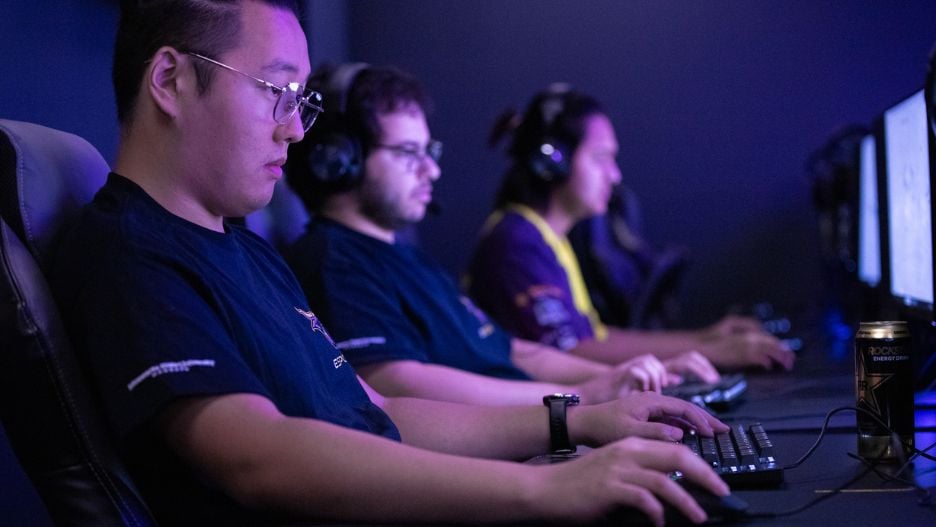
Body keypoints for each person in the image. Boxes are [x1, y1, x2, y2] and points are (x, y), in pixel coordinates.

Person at [49, 1, 730, 525]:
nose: (295, 128)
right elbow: (258, 455)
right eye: (276, 91)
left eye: (301, 102)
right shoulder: (130, 253)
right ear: (170, 80)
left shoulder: (248, 251)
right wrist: (543, 486)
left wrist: (575, 419)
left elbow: (376, 409)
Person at [283, 63, 719, 407]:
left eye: (428, 152)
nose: (432, 170)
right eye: (408, 152)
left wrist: (630, 377)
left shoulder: (409, 259)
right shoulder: (334, 261)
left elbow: (513, 351)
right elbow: (395, 382)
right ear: (339, 160)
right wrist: (578, 398)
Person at [466, 84, 796, 372]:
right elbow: (569, 353)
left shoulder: (546, 238)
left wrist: (705, 338)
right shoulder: (517, 244)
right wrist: (712, 353)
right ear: (554, 162)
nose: (614, 175)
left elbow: (594, 338)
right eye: (600, 158)